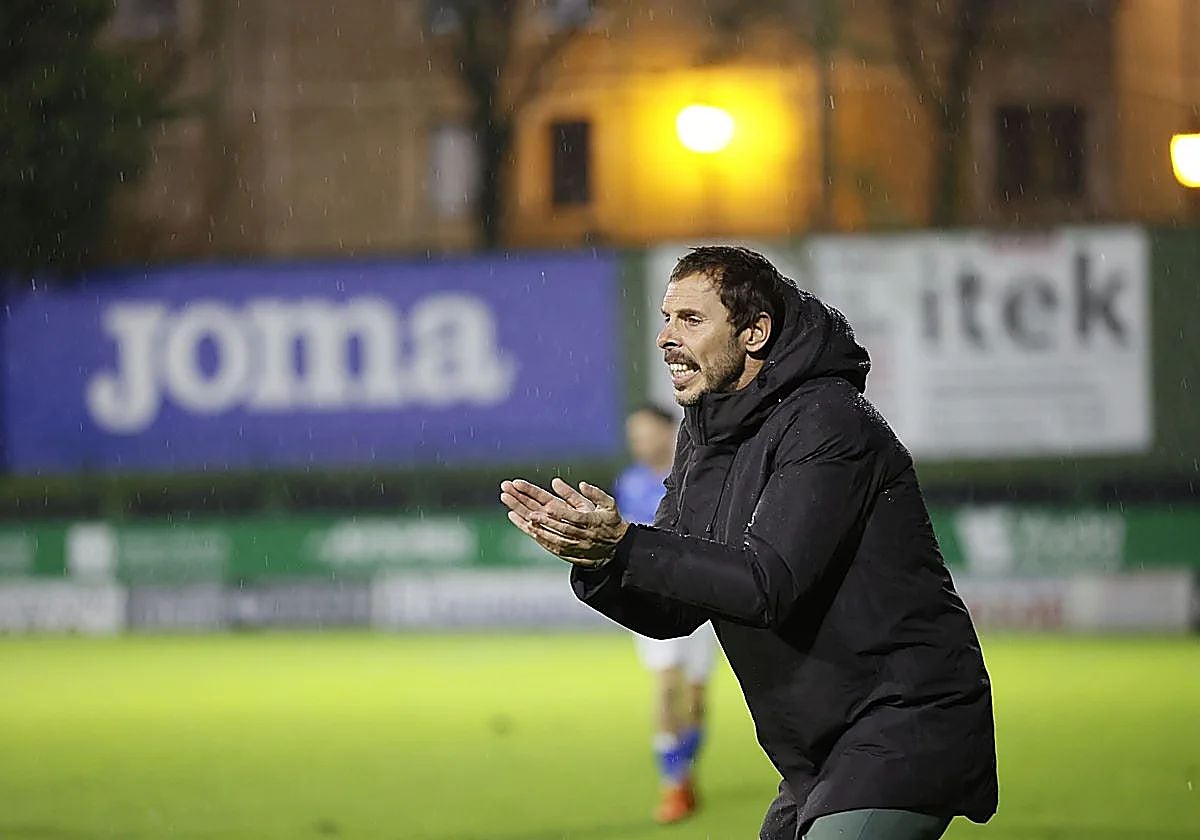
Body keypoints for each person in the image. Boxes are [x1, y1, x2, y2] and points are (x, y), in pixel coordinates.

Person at [500, 246, 998, 840]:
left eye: (691, 319)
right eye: (665, 318)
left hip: (903, 723)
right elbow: (674, 607)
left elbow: (768, 584)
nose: (666, 337)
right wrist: (603, 561)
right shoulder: (706, 435)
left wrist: (630, 544)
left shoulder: (828, 420)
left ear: (755, 332)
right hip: (818, 754)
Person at [617, 404, 718, 824]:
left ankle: (684, 772)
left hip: (701, 598)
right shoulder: (629, 483)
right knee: (666, 686)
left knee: (695, 696)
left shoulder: (698, 473)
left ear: (667, 432)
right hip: (652, 600)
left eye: (644, 433)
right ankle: (671, 785)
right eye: (632, 435)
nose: (638, 442)